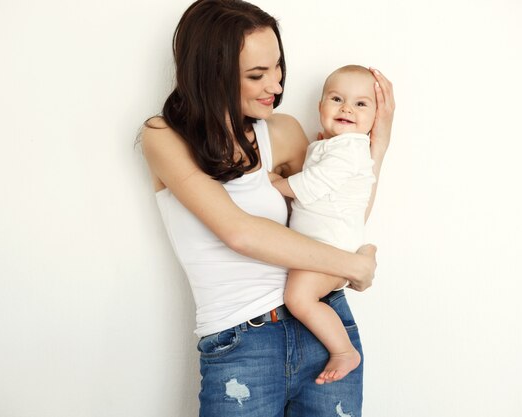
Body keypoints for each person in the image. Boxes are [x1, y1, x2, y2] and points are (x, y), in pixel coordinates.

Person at [140, 0, 394, 415]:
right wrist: (353, 266)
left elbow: (336, 215)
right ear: (210, 74)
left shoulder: (284, 130)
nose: (275, 86)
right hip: (244, 344)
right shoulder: (164, 135)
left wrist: (377, 148)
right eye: (257, 75)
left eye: (277, 68)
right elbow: (240, 232)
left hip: (324, 325)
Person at [269, 65, 380, 385]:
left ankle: (344, 350)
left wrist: (279, 183)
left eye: (361, 104)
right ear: (320, 107)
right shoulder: (334, 145)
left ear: (374, 119)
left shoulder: (350, 149)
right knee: (300, 296)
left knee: (298, 298)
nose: (346, 108)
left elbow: (313, 184)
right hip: (323, 243)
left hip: (331, 246)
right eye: (336, 99)